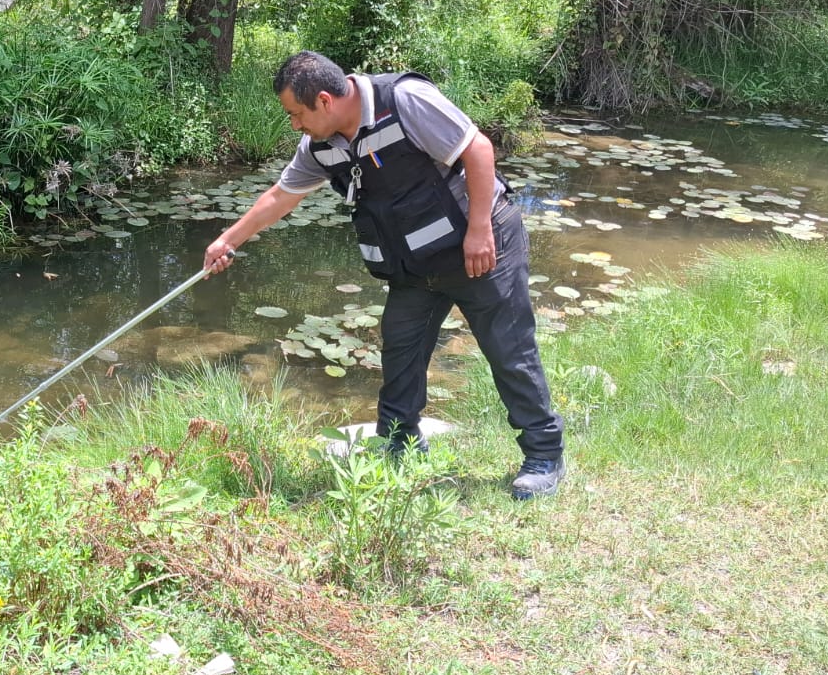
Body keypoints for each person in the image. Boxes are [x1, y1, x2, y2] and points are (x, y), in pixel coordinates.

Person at [203, 51, 565, 500]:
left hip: (481, 246)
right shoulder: (321, 143)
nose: (294, 125)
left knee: (508, 351)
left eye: (296, 114)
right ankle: (400, 443)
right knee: (400, 352)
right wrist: (228, 240)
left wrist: (479, 230)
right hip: (415, 264)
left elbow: (478, 148)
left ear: (323, 100)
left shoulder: (406, 100)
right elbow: (281, 196)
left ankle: (544, 454)